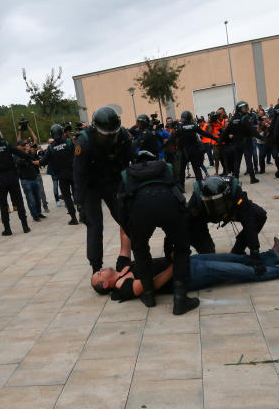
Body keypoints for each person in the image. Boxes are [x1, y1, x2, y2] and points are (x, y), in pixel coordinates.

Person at [91, 238, 279, 300]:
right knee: (245, 273)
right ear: (105, 284)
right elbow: (152, 285)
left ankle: (274, 256)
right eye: (99, 274)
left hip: (188, 261)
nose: (101, 269)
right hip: (189, 274)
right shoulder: (122, 287)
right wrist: (173, 263)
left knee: (236, 258)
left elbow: (125, 239)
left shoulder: (121, 268)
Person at [118, 150, 198, 314]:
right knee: (182, 249)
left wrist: (131, 232)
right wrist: (182, 226)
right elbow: (177, 192)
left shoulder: (127, 174)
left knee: (140, 250)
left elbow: (121, 205)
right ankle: (180, 300)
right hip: (168, 205)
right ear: (154, 160)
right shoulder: (165, 167)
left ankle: (148, 295)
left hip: (140, 209)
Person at [73, 107, 134, 272]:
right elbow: (79, 176)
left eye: (113, 134)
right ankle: (96, 268)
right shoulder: (84, 142)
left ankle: (139, 256)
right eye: (106, 135)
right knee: (94, 225)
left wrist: (129, 189)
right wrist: (80, 204)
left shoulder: (123, 136)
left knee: (127, 219)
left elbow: (130, 164)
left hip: (112, 182)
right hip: (91, 187)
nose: (110, 139)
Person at [186, 175, 268, 263]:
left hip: (231, 211)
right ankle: (207, 249)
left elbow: (249, 221)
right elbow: (186, 226)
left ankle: (239, 248)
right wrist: (183, 253)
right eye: (212, 203)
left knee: (259, 215)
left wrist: (254, 250)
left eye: (219, 203)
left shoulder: (236, 194)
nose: (217, 207)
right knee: (208, 255)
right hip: (205, 216)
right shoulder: (196, 201)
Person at [39, 123, 79, 225]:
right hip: (73, 172)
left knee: (67, 197)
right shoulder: (69, 142)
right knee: (77, 194)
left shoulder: (51, 148)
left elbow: (43, 161)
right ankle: (83, 214)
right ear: (62, 132)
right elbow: (77, 152)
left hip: (61, 175)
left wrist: (35, 162)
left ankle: (73, 218)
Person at [168, 110, 217, 187]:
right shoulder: (194, 126)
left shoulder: (180, 128)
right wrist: (215, 138)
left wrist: (164, 146)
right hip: (194, 151)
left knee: (182, 170)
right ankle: (200, 185)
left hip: (184, 151)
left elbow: (172, 138)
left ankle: (182, 186)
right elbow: (204, 133)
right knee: (197, 169)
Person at [222, 101, 260, 183]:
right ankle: (252, 178)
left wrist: (220, 139)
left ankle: (236, 179)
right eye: (244, 108)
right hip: (246, 142)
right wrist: (262, 138)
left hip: (237, 143)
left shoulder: (233, 119)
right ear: (239, 109)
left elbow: (227, 130)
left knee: (237, 162)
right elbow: (252, 130)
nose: (246, 109)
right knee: (248, 161)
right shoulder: (245, 118)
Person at [16, 141, 45, 221]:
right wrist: (25, 152)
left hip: (34, 177)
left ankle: (39, 213)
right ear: (20, 146)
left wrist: (30, 152)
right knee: (30, 199)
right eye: (24, 145)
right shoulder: (17, 155)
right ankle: (34, 215)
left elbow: (33, 160)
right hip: (26, 180)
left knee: (37, 197)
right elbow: (19, 163)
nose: (27, 146)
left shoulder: (29, 154)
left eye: (27, 145)